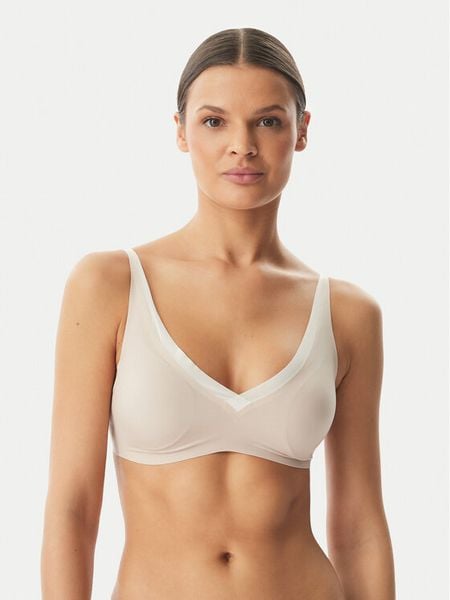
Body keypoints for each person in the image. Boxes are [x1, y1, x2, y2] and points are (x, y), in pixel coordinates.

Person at [40, 27, 396, 600]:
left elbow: (359, 527)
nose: (242, 145)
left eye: (268, 121)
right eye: (214, 121)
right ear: (181, 131)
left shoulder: (348, 314)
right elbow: (72, 509)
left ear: (302, 130)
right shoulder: (109, 286)